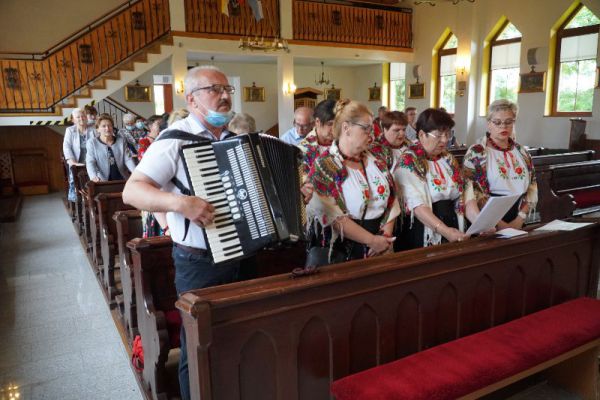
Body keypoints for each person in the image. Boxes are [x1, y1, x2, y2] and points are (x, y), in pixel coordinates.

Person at [122, 65, 240, 400]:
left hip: (240, 257)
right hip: (198, 263)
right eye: (215, 89)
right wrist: (180, 204)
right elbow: (133, 191)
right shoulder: (173, 140)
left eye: (227, 88)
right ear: (191, 99)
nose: (225, 95)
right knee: (197, 349)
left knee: (234, 341)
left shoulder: (233, 140)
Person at [306, 99, 399, 262]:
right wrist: (372, 241)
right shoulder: (324, 165)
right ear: (346, 128)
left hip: (381, 245)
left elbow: (392, 199)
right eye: (366, 129)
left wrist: (385, 236)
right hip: (344, 249)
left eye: (373, 128)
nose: (372, 135)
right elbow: (332, 217)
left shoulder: (376, 160)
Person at [395, 108, 469, 249]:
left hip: (450, 222)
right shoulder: (409, 161)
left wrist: (479, 222)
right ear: (422, 134)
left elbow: (465, 191)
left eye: (447, 134)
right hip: (423, 229)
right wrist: (445, 231)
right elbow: (418, 206)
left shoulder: (448, 158)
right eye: (439, 135)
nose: (444, 140)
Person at [463, 99, 537, 230]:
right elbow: (474, 193)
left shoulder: (522, 152)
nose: (503, 126)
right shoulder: (477, 152)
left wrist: (520, 218)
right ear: (488, 124)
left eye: (509, 122)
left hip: (518, 217)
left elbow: (532, 186)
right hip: (488, 219)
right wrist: (501, 225)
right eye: (497, 122)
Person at [86, 113, 136, 182]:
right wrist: (93, 177)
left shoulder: (121, 141)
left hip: (122, 178)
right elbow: (90, 162)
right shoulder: (92, 143)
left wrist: (135, 172)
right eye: (104, 126)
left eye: (110, 125)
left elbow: (128, 159)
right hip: (102, 180)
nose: (107, 128)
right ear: (97, 129)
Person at [63, 108, 96, 201]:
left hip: (93, 161)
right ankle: (78, 198)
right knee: (77, 177)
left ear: (86, 117)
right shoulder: (70, 130)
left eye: (83, 116)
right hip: (77, 161)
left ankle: (94, 197)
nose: (81, 118)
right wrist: (72, 161)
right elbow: (67, 146)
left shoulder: (93, 129)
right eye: (78, 117)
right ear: (73, 119)